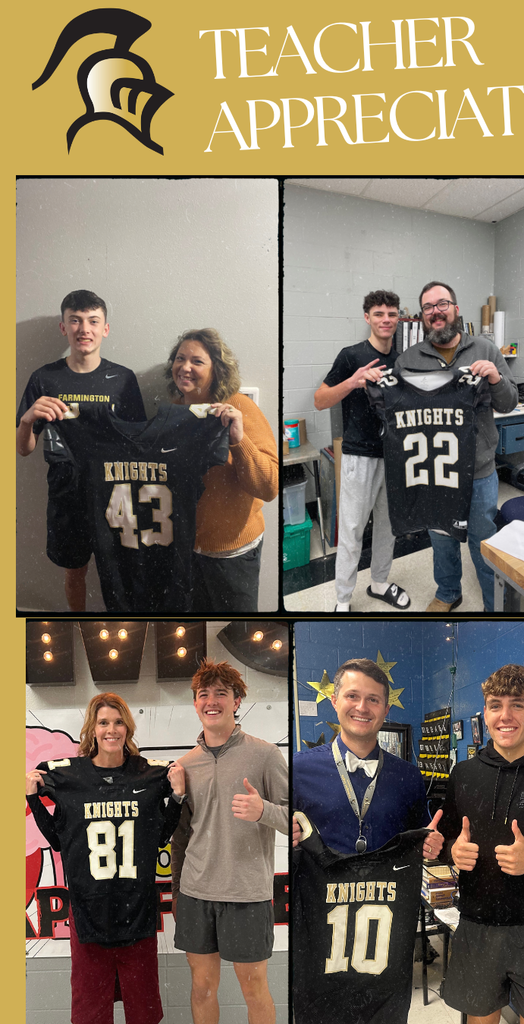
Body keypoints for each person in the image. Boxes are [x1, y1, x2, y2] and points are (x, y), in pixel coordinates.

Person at [291, 658, 444, 1024]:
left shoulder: (408, 776)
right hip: (323, 932)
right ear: (335, 701)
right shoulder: (298, 769)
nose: (362, 707)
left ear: (386, 709)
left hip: (386, 934)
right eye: (353, 696)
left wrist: (433, 845)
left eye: (374, 700)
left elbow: (423, 836)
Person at [26, 692, 185, 1024]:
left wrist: (178, 797)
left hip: (137, 916)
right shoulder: (70, 777)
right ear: (92, 729)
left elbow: (160, 837)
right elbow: (58, 841)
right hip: (88, 918)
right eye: (103, 722)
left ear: (127, 727)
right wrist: (34, 800)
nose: (111, 730)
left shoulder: (149, 774)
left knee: (144, 1015)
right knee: (90, 1017)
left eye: (117, 722)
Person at [171, 657, 288, 1024]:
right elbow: (181, 836)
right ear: (195, 704)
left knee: (254, 990)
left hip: (246, 895)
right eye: (203, 694)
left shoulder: (266, 754)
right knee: (202, 987)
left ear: (236, 701)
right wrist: (177, 892)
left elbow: (297, 820)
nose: (212, 701)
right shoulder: (185, 766)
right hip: (195, 892)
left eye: (221, 693)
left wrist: (263, 811)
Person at [440, 664, 524, 1024]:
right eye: (495, 705)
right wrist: (452, 852)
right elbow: (445, 837)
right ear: (485, 713)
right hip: (478, 923)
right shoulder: (463, 774)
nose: (505, 716)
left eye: (518, 705)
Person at [17, 289, 146, 611]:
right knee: (75, 573)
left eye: (92, 321)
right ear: (64, 327)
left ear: (105, 329)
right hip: (67, 496)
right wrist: (26, 420)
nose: (83, 329)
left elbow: (139, 444)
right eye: (75, 321)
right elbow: (23, 450)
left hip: (115, 493)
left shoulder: (123, 379)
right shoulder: (45, 378)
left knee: (120, 570)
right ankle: (78, 621)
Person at [392, 282, 518, 613]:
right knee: (442, 538)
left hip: (478, 470)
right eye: (428, 307)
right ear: (422, 316)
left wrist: (494, 377)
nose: (436, 311)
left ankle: (495, 602)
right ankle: (448, 592)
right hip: (434, 471)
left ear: (455, 309)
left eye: (442, 303)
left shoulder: (486, 350)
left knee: (482, 539)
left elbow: (509, 402)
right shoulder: (409, 360)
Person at [165, 329, 278, 612]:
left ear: (217, 368)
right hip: (186, 552)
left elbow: (269, 486)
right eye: (180, 359)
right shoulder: (173, 413)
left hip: (233, 554)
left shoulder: (240, 407)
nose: (185, 367)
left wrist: (239, 440)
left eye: (197, 361)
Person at [313, 290, 411, 613]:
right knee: (352, 531)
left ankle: (379, 583)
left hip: (395, 456)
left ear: (398, 318)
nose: (386, 320)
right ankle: (343, 599)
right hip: (359, 456)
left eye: (392, 314)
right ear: (367, 317)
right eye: (379, 314)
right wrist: (353, 382)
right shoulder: (351, 356)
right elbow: (320, 399)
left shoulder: (404, 361)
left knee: (388, 526)